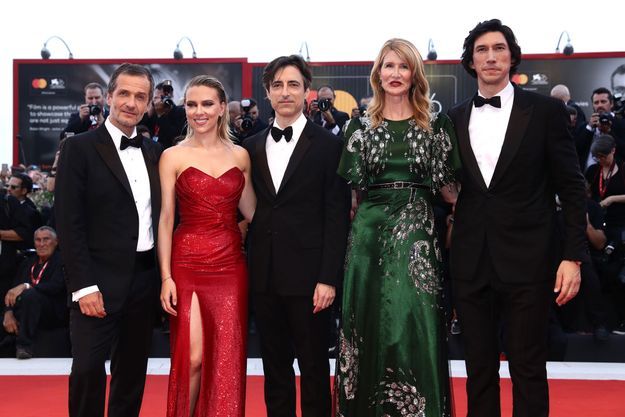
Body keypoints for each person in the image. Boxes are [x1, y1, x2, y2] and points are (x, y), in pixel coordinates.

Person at [448, 19, 587, 417]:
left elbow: (572, 187)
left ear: (512, 57)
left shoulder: (545, 112)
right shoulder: (453, 118)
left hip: (529, 260)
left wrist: (573, 256)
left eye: (499, 48)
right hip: (471, 262)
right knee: (478, 370)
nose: (491, 56)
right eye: (482, 50)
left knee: (528, 368)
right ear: (471, 61)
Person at [334, 38, 459, 416]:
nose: (396, 73)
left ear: (415, 74)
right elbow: (352, 194)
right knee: (368, 324)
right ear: (378, 74)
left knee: (414, 321)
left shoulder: (437, 125)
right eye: (389, 66)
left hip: (418, 232)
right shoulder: (358, 127)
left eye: (404, 66)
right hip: (368, 238)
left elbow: (450, 191)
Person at [243, 55, 349, 417]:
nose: (285, 92)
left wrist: (328, 278)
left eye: (293, 84)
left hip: (311, 281)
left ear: (307, 91)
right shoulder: (251, 146)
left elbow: (337, 216)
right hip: (264, 277)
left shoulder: (329, 146)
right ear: (267, 93)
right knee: (275, 372)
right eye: (277, 85)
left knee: (315, 369)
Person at [55, 63, 162, 417]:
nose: (131, 103)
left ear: (148, 104)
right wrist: (83, 286)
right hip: (96, 280)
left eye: (140, 96)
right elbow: (68, 222)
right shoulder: (79, 148)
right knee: (87, 370)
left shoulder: (154, 153)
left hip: (144, 280)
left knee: (131, 373)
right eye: (124, 94)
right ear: (110, 96)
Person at [158, 75, 255, 417]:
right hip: (187, 262)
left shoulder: (241, 156)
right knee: (193, 358)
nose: (199, 111)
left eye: (207, 104)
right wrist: (166, 277)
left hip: (230, 266)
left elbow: (254, 212)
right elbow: (166, 219)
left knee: (226, 357)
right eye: (192, 104)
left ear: (222, 108)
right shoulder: (172, 156)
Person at [2, 226, 66, 359]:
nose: (42, 244)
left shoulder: (62, 261)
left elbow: (56, 286)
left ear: (56, 242)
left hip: (52, 311)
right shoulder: (27, 263)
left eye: (46, 239)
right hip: (25, 310)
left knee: (30, 295)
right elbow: (12, 291)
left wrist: (27, 286)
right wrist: (8, 313)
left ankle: (24, 346)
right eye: (38, 240)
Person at [584, 134, 625, 334]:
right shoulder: (593, 171)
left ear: (613, 151)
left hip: (619, 224)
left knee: (615, 272)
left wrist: (612, 199)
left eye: (604, 156)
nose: (601, 160)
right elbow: (585, 191)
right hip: (598, 223)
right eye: (597, 156)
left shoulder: (622, 169)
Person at [140, 80, 187, 149]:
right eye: (156, 98)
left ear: (171, 96)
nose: (160, 101)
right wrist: (150, 111)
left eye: (163, 97)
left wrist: (162, 114)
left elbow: (175, 138)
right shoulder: (152, 114)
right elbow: (139, 126)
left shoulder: (180, 113)